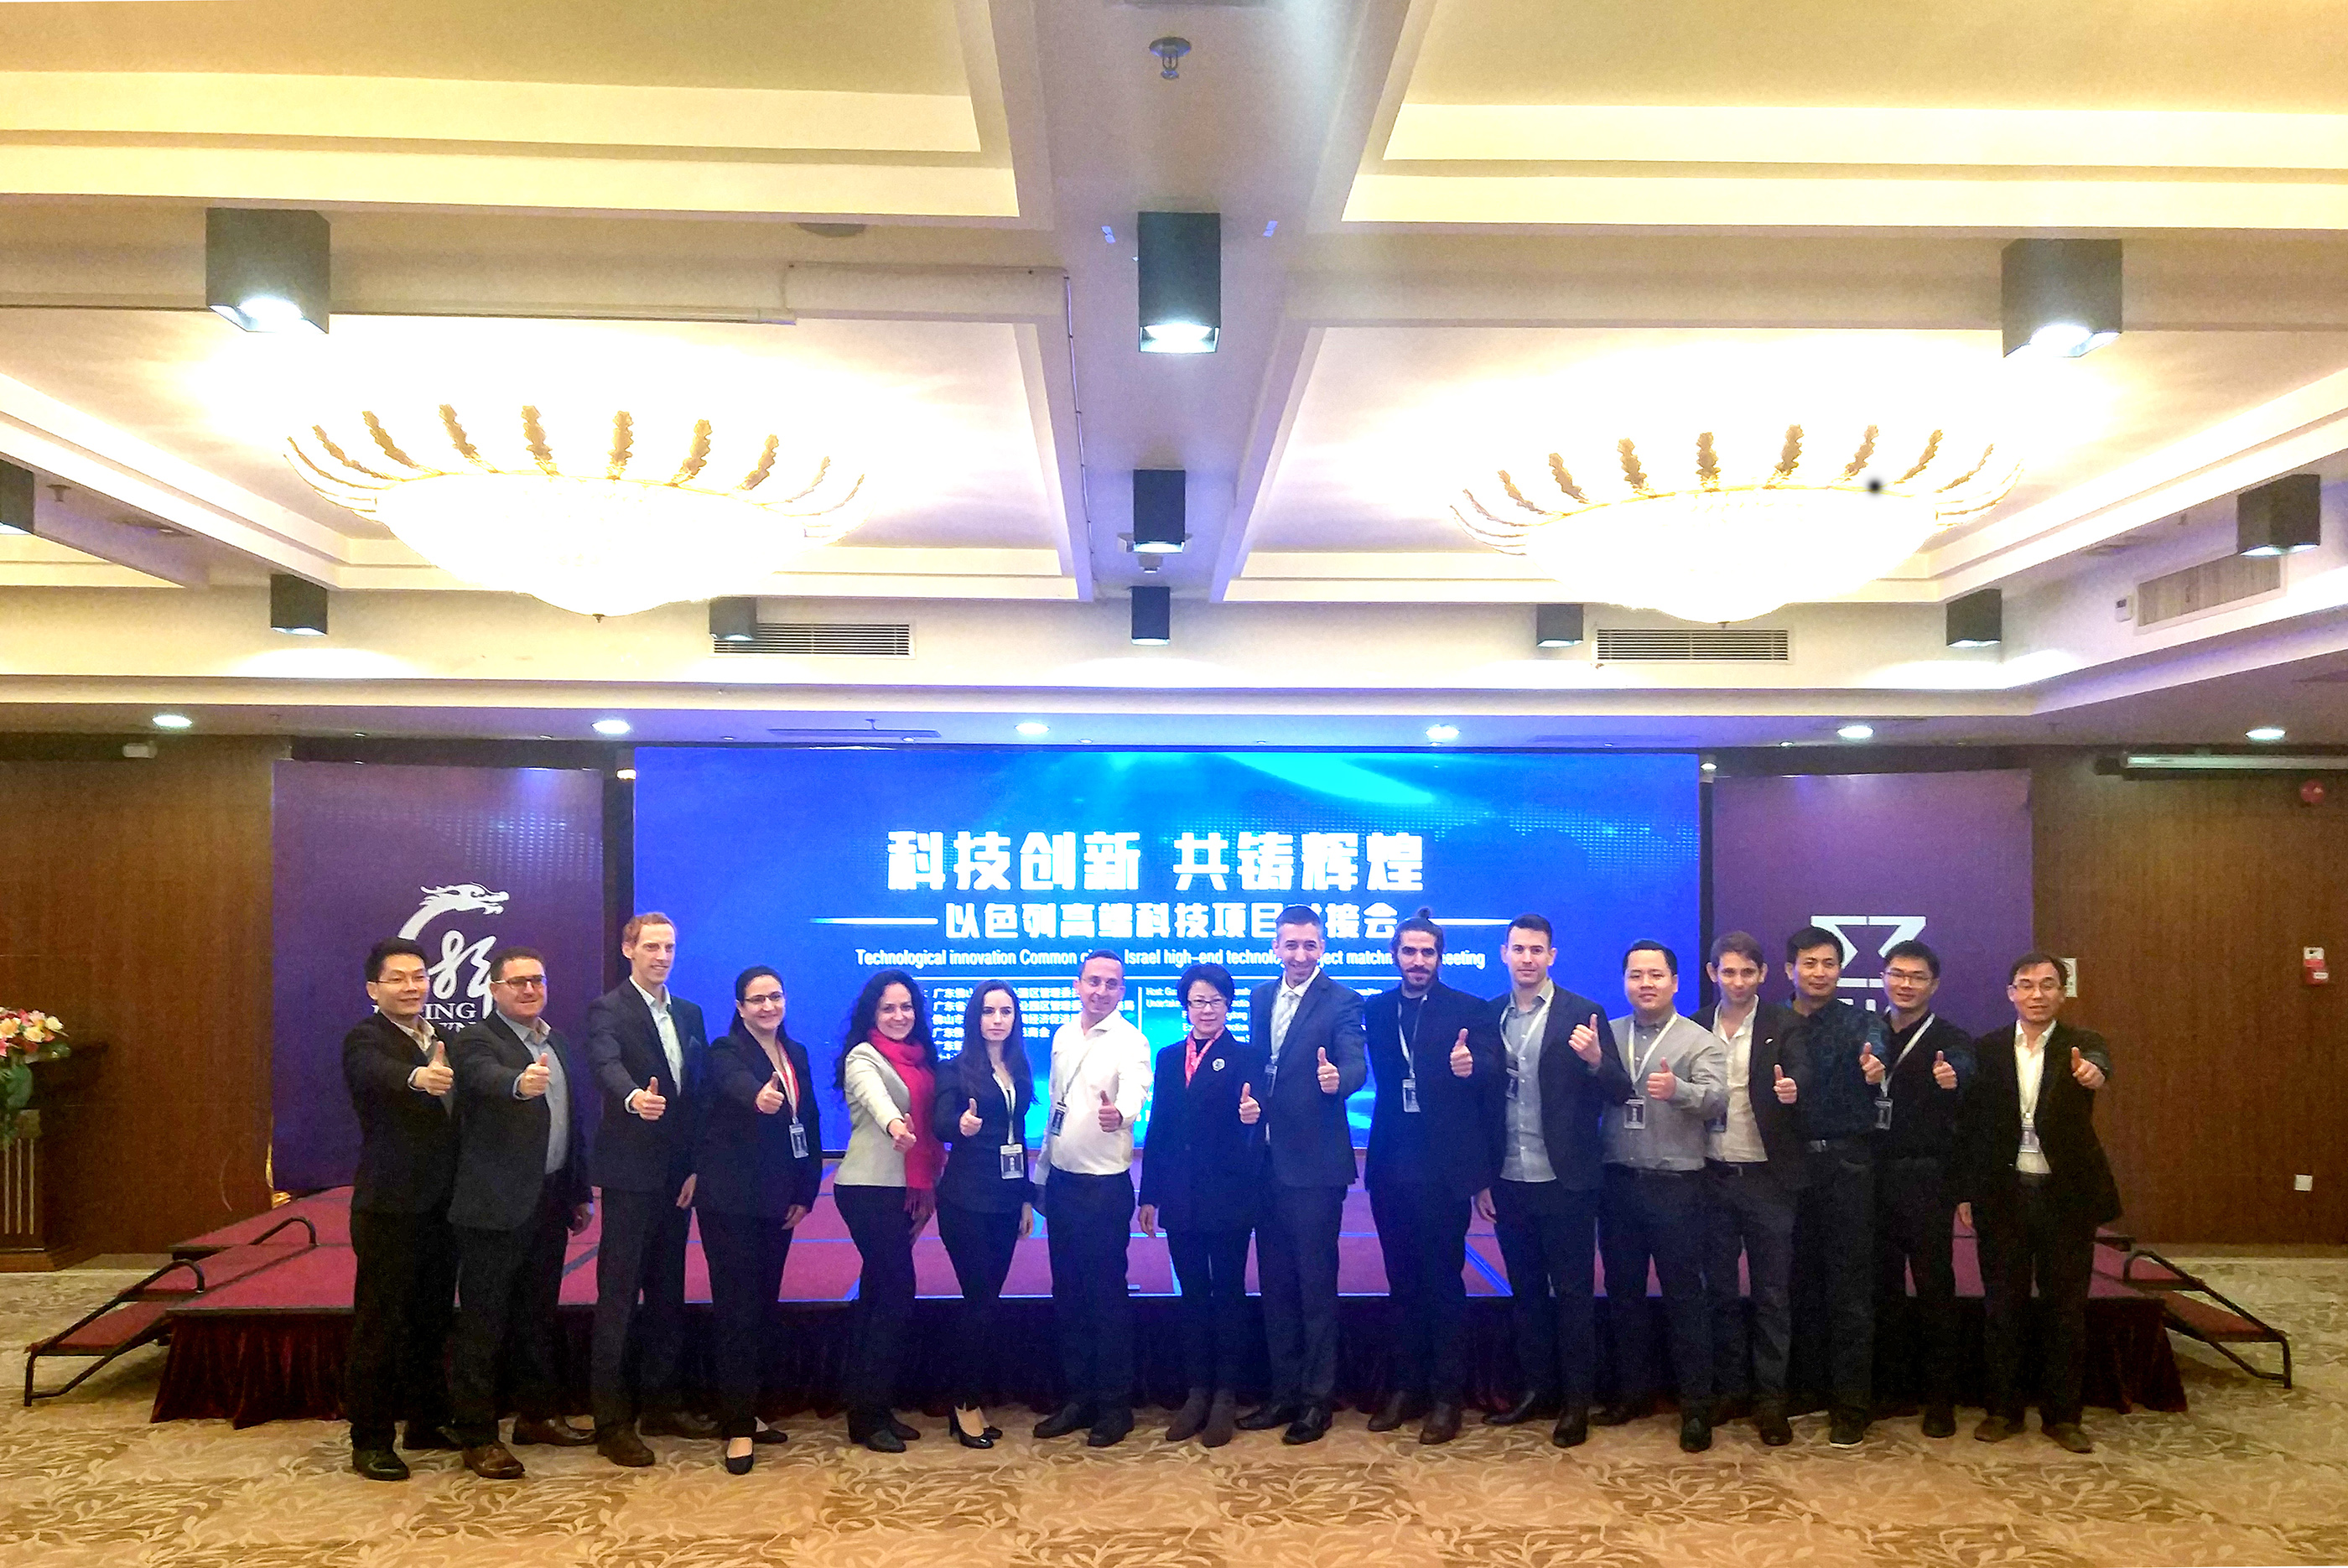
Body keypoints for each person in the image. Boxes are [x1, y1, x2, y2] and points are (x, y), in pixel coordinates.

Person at [1956, 953, 2119, 1454]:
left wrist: (2094, 1073)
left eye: (2048, 985)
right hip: (2003, 1195)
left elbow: (2099, 1065)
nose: (2037, 994)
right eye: (2026, 985)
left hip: (2065, 1197)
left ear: (2062, 994)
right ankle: (2003, 1410)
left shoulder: (2082, 1043)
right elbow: (1973, 1126)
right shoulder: (1986, 1049)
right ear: (2011, 993)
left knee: (2065, 1309)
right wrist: (1967, 1191)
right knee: (2002, 1307)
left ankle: (2063, 1416)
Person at [444, 945, 595, 1480]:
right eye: (517, 982)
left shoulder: (557, 1042)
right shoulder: (474, 1040)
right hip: (494, 1206)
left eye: (537, 980)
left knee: (537, 1316)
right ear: (494, 989)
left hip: (550, 1200)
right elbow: (483, 1075)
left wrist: (578, 1192)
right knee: (483, 1323)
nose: (529, 990)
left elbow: (572, 1123)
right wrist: (517, 1083)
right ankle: (477, 1435)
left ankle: (537, 1416)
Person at [1480, 913, 1623, 1449]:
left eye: (1537, 950)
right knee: (1527, 1295)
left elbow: (1620, 1090)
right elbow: (1482, 1106)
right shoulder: (1489, 1015)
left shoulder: (1583, 1012)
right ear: (1504, 953)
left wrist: (1595, 1060)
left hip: (1566, 1181)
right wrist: (1482, 1179)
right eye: (1518, 949)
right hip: (1509, 1179)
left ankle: (1576, 1402)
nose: (1527, 958)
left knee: (1573, 1296)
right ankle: (1537, 1390)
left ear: (1552, 956)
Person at [1360, 909, 1498, 1445]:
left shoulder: (1469, 1010)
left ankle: (1446, 1396)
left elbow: (1490, 1082)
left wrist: (1472, 1067)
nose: (1418, 961)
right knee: (1401, 1282)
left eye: (1428, 952)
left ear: (1440, 957)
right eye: (1409, 951)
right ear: (1395, 955)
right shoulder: (1376, 1010)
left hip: (1444, 1170)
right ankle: (1405, 1387)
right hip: (1390, 1166)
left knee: (1443, 1282)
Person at [585, 911, 714, 1465]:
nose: (662, 957)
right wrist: (634, 1097)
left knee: (667, 1293)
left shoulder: (689, 1012)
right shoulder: (608, 1009)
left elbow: (697, 1095)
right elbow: (605, 1064)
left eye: (669, 947)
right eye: (652, 947)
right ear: (628, 949)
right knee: (618, 1298)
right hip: (630, 1175)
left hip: (677, 1178)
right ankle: (611, 1422)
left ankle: (661, 1405)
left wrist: (696, 1165)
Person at [1240, 906, 1368, 1446]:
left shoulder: (1343, 1001)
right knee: (1275, 1287)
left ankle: (1317, 1402)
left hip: (1314, 1168)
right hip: (1265, 1164)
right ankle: (1283, 1393)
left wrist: (1340, 1079)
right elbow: (1258, 1068)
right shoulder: (1260, 997)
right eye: (1290, 944)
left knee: (1315, 1287)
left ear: (1323, 948)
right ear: (1275, 947)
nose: (1299, 954)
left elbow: (1356, 1062)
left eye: (1309, 945)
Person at [1599, 940, 1727, 1453]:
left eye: (1656, 975)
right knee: (1623, 1295)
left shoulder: (1699, 1040)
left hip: (1677, 1187)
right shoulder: (1608, 1035)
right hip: (1617, 1184)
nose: (1645, 984)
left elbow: (1717, 1100)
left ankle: (1696, 1408)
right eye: (1636, 975)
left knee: (1684, 1298)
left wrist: (1680, 1091)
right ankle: (1632, 1394)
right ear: (1625, 982)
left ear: (1675, 982)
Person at [340, 937, 460, 1482]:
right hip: (389, 1206)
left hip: (442, 1206)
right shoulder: (366, 1038)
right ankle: (370, 1440)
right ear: (374, 988)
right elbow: (376, 1071)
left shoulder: (440, 1037)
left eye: (419, 976)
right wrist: (418, 1077)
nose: (411, 987)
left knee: (431, 1319)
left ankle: (426, 1421)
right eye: (398, 978)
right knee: (380, 1324)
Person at [698, 965, 824, 1473]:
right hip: (731, 1204)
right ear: (740, 1007)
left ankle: (748, 1411)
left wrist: (807, 1191)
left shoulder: (796, 1054)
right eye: (757, 1000)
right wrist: (758, 1096)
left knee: (762, 1309)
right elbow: (735, 1085)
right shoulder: (725, 1051)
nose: (768, 1006)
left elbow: (808, 1122)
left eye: (775, 996)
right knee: (736, 1313)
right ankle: (736, 1429)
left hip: (778, 1202)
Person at [1136, 963, 1266, 1448]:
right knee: (1192, 1294)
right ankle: (1197, 1392)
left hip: (1229, 1196)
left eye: (1215, 1001)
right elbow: (1160, 1127)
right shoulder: (1170, 1057)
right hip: (1180, 1196)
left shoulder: (1246, 1056)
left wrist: (1254, 1116)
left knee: (1228, 1293)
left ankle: (1226, 1395)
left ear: (1228, 1005)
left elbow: (1258, 1117)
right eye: (1197, 1001)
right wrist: (1149, 1194)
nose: (1206, 1010)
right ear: (1185, 1006)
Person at [1033, 950, 1152, 1447]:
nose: (1101, 990)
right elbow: (1056, 1110)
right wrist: (1041, 1173)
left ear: (1122, 990)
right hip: (1061, 1182)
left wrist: (1120, 1115)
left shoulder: (1131, 1040)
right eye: (1093, 981)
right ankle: (1078, 1398)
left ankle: (1114, 1406)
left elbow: (1138, 1090)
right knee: (1068, 1294)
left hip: (1103, 1188)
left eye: (1111, 983)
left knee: (1106, 1297)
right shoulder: (1063, 1035)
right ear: (1077, 985)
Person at [1693, 931, 1808, 1447]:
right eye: (1728, 972)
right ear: (1713, 974)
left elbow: (1803, 1074)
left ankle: (1771, 1402)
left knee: (1772, 1297)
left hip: (1767, 1180)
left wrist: (1794, 1089)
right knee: (1719, 1293)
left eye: (1747, 972)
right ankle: (1730, 1390)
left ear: (1763, 975)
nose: (1737, 981)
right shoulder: (1695, 1025)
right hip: (1712, 1176)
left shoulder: (1786, 1024)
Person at [1781, 923, 1888, 1447]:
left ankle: (1851, 1405)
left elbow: (1878, 1049)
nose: (1819, 973)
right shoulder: (1772, 1022)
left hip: (1847, 1168)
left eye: (1829, 964)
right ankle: (1806, 1388)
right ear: (1790, 969)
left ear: (1840, 970)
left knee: (1850, 1290)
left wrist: (1875, 1066)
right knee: (1796, 1285)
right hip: (1787, 1169)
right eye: (1809, 963)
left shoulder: (1861, 1022)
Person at [834, 968, 946, 1451]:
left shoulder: (921, 1059)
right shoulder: (864, 1056)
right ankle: (867, 1417)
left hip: (903, 1189)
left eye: (906, 1007)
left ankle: (872, 1408)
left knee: (878, 1296)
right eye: (888, 1008)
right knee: (896, 1293)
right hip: (869, 1188)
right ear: (872, 1013)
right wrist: (896, 1127)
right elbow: (876, 1099)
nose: (899, 1016)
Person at [1869, 938, 1974, 1439]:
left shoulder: (1951, 1038)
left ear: (1934, 985)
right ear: (1883, 978)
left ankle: (1940, 1399)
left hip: (1927, 1178)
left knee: (1935, 1288)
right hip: (1873, 1177)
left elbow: (1967, 1077)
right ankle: (1891, 1390)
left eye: (1916, 977)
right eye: (1897, 974)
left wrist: (1956, 1078)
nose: (1905, 984)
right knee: (1882, 1288)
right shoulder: (1870, 1032)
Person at [930, 979, 1037, 1450]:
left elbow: (1019, 1135)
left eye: (1006, 1011)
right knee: (979, 1302)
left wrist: (1026, 1198)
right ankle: (964, 1403)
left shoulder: (1019, 1066)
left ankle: (968, 1397)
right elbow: (939, 1123)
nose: (997, 1019)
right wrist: (961, 1125)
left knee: (988, 1301)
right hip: (966, 1201)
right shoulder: (955, 1069)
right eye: (989, 1011)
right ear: (974, 1017)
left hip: (1006, 1200)